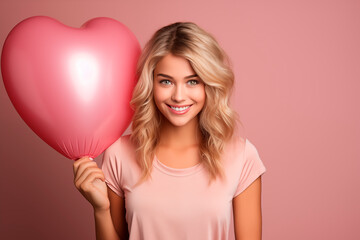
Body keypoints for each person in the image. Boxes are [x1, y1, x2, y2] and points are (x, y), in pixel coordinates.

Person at [73, 22, 267, 240]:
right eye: (166, 81)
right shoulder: (119, 153)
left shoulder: (241, 157)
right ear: (150, 83)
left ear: (209, 85)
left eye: (192, 81)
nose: (178, 96)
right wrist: (101, 210)